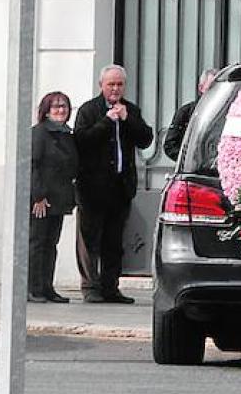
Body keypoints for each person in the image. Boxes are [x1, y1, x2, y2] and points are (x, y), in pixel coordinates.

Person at [71, 64, 154, 304]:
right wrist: (106, 122)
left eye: (119, 84)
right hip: (92, 188)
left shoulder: (131, 110)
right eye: (111, 84)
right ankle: (90, 286)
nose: (115, 89)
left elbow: (146, 139)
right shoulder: (89, 110)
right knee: (90, 239)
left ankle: (111, 287)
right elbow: (82, 141)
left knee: (114, 242)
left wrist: (128, 120)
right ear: (101, 86)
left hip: (120, 187)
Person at [28, 90, 79, 303]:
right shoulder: (39, 133)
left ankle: (47, 287)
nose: (61, 110)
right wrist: (38, 196)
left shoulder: (67, 134)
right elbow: (32, 165)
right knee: (37, 243)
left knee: (51, 244)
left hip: (59, 198)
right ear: (46, 110)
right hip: (41, 199)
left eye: (64, 106)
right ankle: (32, 288)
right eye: (56, 106)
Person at [160, 69, 217, 162]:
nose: (214, 93)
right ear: (201, 88)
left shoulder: (227, 113)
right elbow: (170, 145)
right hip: (191, 170)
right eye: (211, 88)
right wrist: (189, 159)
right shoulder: (185, 112)